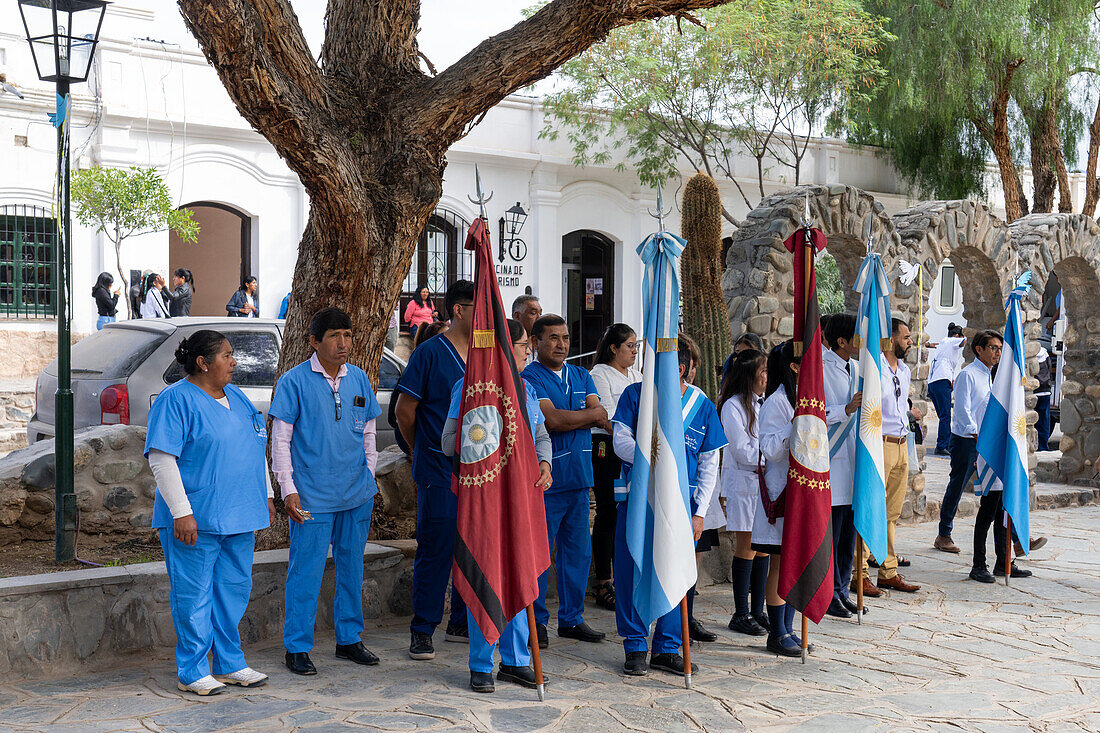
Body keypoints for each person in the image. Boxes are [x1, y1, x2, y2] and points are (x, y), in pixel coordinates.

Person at [144, 330, 275, 695]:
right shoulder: (176, 401)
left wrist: (264, 493)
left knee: (233, 589)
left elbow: (255, 446)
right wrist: (181, 512)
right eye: (227, 355)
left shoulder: (237, 396)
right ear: (203, 362)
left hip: (239, 513)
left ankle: (231, 663)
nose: (234, 362)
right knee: (193, 594)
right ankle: (192, 669)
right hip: (196, 517)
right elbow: (161, 458)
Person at [441, 318, 554, 693]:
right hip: (486, 501)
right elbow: (450, 441)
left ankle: (516, 661)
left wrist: (543, 463)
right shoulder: (469, 388)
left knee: (519, 570)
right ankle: (480, 663)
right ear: (506, 347)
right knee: (486, 572)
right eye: (523, 345)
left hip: (522, 501)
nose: (527, 352)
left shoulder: (527, 389)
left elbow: (539, 435)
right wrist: (488, 454)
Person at [269, 307, 383, 676]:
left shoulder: (359, 378)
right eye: (335, 335)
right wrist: (288, 489)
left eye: (348, 335)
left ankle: (349, 639)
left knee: (352, 567)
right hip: (311, 495)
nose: (344, 343)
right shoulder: (294, 381)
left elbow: (368, 431)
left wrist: (369, 474)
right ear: (314, 341)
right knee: (306, 570)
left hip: (356, 493)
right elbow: (281, 440)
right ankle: (297, 647)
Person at [610, 334, 724, 676]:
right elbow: (619, 441)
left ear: (681, 369)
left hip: (681, 507)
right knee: (631, 570)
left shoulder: (701, 405)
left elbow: (709, 462)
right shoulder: (636, 396)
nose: (650, 370)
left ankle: (667, 646)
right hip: (638, 500)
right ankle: (634, 645)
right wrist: (653, 461)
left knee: (675, 574)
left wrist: (701, 511)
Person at [394, 280, 474, 661]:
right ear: (459, 310)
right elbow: (404, 412)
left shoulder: (486, 355)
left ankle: (461, 621)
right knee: (436, 547)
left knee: (472, 547)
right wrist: (420, 452)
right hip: (438, 468)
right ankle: (423, 628)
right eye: (480, 306)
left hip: (478, 471)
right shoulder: (430, 353)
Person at [523, 314, 609, 648]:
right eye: (554, 338)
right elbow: (552, 420)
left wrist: (578, 418)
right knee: (541, 555)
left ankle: (572, 619)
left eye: (566, 338)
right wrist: (584, 418)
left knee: (578, 553)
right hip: (545, 481)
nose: (562, 344)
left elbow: (600, 414)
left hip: (579, 478)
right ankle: (538, 621)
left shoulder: (582, 374)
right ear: (535, 343)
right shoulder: (530, 378)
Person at [753, 341, 804, 657]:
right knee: (779, 563)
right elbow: (770, 449)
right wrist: (795, 424)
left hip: (800, 490)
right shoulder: (776, 402)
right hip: (780, 491)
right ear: (794, 367)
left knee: (794, 562)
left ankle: (789, 625)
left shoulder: (799, 398)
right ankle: (777, 631)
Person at [588, 323, 641, 612]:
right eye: (629, 346)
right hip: (608, 449)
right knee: (608, 510)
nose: (634, 351)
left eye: (636, 346)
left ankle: (625, 576)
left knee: (628, 511)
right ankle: (604, 581)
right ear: (613, 348)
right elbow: (604, 415)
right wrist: (626, 437)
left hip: (633, 450)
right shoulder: (600, 374)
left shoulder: (636, 375)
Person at [934, 330, 1001, 554]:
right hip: (967, 441)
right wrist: (977, 435)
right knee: (958, 485)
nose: (997, 353)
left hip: (987, 440)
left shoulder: (991, 376)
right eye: (993, 348)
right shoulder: (968, 374)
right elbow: (962, 411)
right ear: (979, 349)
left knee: (998, 487)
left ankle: (1014, 538)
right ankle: (944, 534)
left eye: (999, 348)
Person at [719, 348, 770, 637]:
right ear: (749, 375)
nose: (766, 377)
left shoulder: (762, 403)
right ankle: (740, 612)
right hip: (745, 483)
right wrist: (772, 455)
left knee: (763, 546)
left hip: (763, 484)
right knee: (747, 546)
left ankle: (758, 609)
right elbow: (741, 449)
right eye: (762, 372)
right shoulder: (733, 406)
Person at [680, 334, 727, 643]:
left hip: (699, 498)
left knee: (694, 557)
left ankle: (688, 615)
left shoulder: (701, 403)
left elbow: (710, 459)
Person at [869, 318, 920, 593]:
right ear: (890, 340)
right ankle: (860, 570)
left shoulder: (905, 370)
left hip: (901, 443)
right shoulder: (874, 366)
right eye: (905, 337)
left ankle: (888, 570)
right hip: (880, 443)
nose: (909, 342)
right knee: (873, 506)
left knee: (891, 513)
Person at [821, 314, 865, 618]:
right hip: (834, 462)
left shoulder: (859, 368)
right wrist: (845, 409)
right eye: (856, 337)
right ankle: (829, 593)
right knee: (833, 536)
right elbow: (813, 412)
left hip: (855, 463)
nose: (861, 342)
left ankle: (844, 588)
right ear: (842, 341)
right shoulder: (821, 370)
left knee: (850, 535)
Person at [926, 323, 966, 455]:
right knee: (945, 416)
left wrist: (929, 345)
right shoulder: (953, 341)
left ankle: (946, 443)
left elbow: (935, 344)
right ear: (956, 336)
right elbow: (966, 341)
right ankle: (942, 445)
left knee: (943, 416)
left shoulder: (944, 342)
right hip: (942, 381)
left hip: (933, 383)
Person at [1035, 346, 1053, 451]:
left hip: (1034, 392)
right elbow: (1049, 369)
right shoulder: (1044, 353)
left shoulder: (1027, 353)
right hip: (1045, 390)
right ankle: (1043, 447)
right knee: (1044, 422)